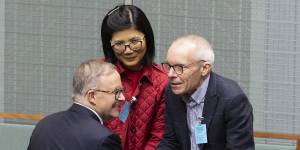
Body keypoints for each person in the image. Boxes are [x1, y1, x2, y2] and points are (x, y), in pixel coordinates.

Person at [157, 35, 255, 150]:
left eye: (180, 67)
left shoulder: (233, 99)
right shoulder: (172, 92)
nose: (170, 74)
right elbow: (171, 141)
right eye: (168, 66)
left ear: (204, 68)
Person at [101, 5, 168, 150]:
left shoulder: (162, 81)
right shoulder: (97, 73)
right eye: (119, 44)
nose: (128, 50)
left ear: (147, 38)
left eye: (135, 41)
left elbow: (159, 135)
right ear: (109, 44)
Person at [27, 59, 124, 150]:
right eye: (117, 92)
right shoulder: (104, 140)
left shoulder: (44, 124)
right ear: (92, 96)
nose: (122, 97)